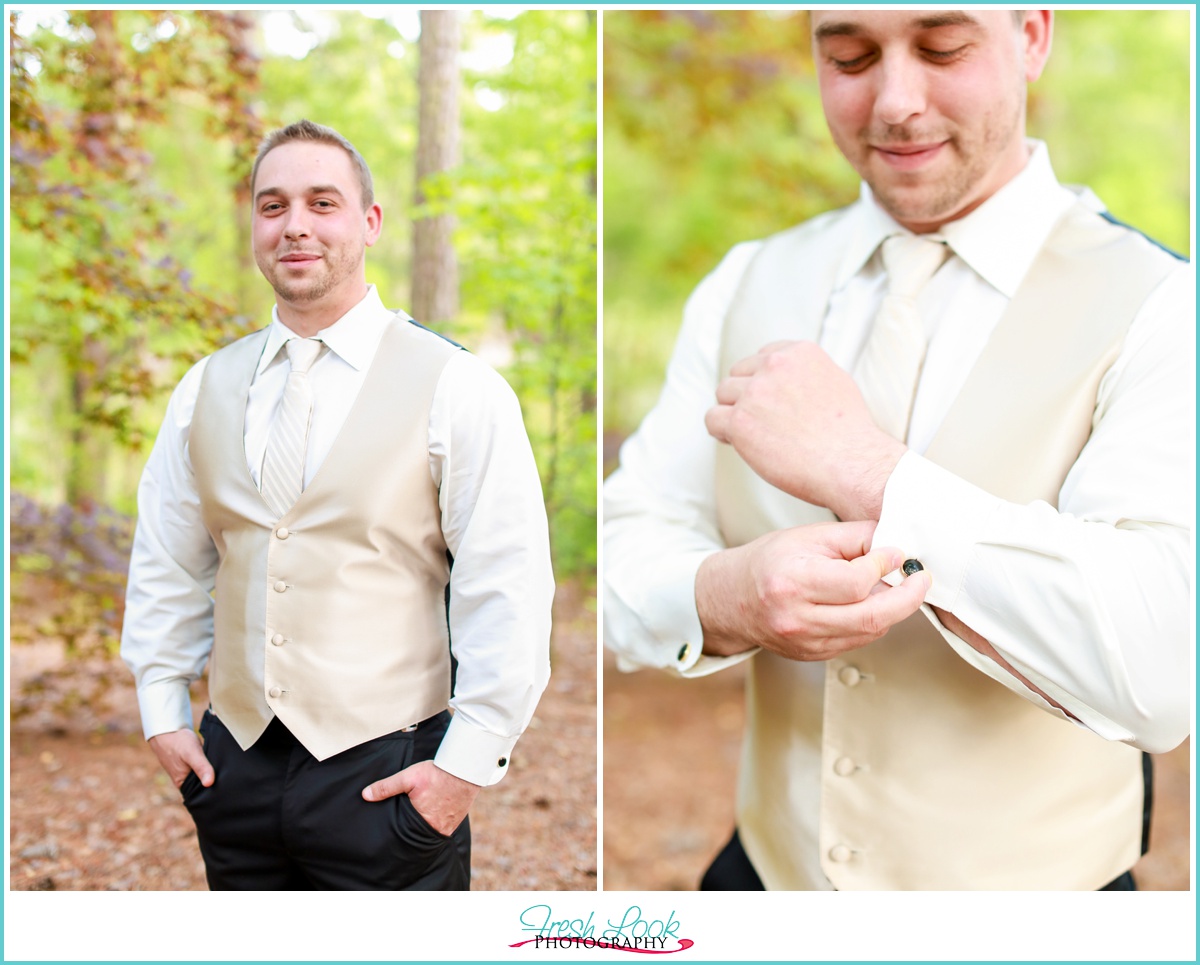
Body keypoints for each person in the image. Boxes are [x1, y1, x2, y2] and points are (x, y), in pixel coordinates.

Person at [604, 10, 1191, 890]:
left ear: (1032, 36)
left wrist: (867, 470)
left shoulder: (1163, 305)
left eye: (943, 47)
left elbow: (1159, 670)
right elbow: (621, 551)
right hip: (764, 882)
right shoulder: (743, 282)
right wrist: (722, 594)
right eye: (849, 57)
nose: (895, 102)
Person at [121, 119, 554, 890]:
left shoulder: (457, 385)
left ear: (370, 222)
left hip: (389, 777)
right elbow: (168, 559)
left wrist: (460, 771)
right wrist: (162, 709)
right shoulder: (203, 388)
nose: (295, 225)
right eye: (272, 204)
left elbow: (509, 583)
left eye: (323, 202)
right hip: (235, 777)